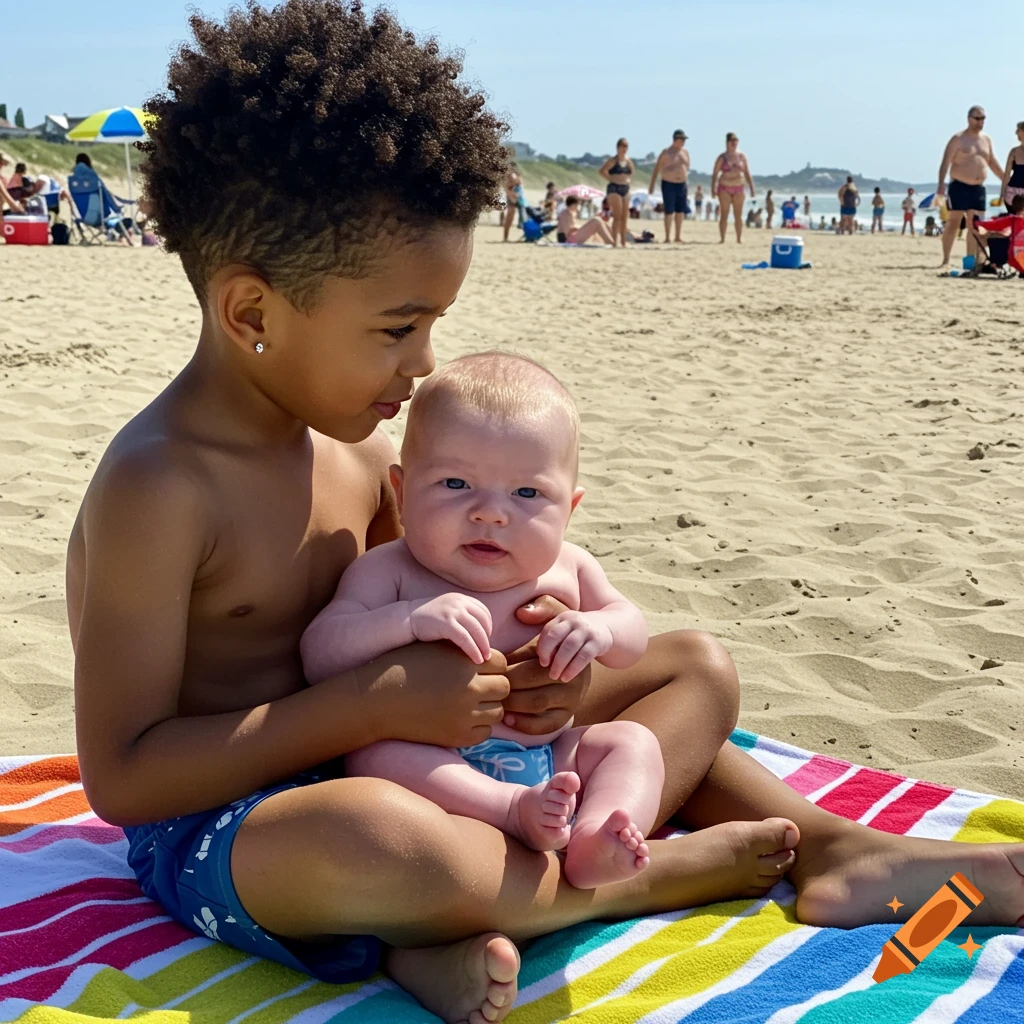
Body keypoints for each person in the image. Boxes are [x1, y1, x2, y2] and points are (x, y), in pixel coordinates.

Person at [67, 6, 1024, 1021]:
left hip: (441, 771)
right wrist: (364, 711)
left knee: (694, 666)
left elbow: (446, 609)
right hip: (241, 823)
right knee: (378, 840)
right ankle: (637, 877)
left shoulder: (361, 447)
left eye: (432, 324)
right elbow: (125, 779)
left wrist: (536, 681)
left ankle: (825, 845)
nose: (425, 362)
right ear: (253, 314)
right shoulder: (160, 486)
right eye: (399, 327)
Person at [302, 353, 663, 890]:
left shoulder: (571, 568)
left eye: (527, 493)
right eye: (454, 484)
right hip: (437, 761)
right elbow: (320, 652)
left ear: (569, 510)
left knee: (631, 743)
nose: (490, 513)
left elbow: (631, 638)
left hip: (545, 753)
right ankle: (514, 809)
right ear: (401, 493)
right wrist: (407, 620)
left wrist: (602, 629)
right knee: (375, 755)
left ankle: (595, 836)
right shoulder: (391, 571)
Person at [936, 105, 1005, 268]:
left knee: (975, 225)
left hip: (978, 188)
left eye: (983, 119)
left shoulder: (986, 139)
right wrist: (940, 185)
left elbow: (992, 162)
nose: (980, 122)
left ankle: (971, 260)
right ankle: (945, 259)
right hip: (959, 186)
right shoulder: (958, 139)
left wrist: (1005, 179)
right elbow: (945, 163)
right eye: (977, 118)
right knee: (953, 222)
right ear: (969, 119)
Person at [648, 129, 691, 243]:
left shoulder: (685, 152)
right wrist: (651, 185)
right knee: (669, 210)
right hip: (669, 183)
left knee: (680, 211)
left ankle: (677, 236)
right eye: (681, 139)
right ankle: (667, 237)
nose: (683, 142)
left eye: (684, 140)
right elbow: (656, 169)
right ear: (675, 139)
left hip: (682, 184)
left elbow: (687, 167)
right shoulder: (666, 152)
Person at [711, 132, 755, 243]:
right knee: (724, 213)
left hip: (739, 187)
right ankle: (722, 238)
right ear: (727, 142)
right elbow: (715, 173)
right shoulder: (722, 157)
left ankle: (739, 238)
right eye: (732, 141)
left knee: (738, 214)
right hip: (725, 187)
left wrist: (751, 187)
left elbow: (747, 172)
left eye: (735, 141)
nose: (734, 143)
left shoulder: (741, 156)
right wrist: (713, 188)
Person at [974, 193, 1024, 273]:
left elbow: (990, 225)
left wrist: (977, 223)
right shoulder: (1014, 220)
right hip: (1018, 257)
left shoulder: (1012, 220)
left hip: (1013, 258)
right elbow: (990, 225)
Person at [599, 138, 633, 247]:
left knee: (625, 217)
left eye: (626, 146)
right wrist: (612, 179)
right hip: (614, 188)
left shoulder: (628, 160)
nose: (624, 148)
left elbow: (632, 171)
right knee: (618, 217)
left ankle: (623, 241)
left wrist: (626, 179)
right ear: (618, 147)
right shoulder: (613, 161)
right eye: (622, 146)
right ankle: (615, 241)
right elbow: (601, 171)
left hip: (625, 188)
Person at [999, 121, 1024, 212]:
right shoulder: (1014, 151)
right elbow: (1007, 175)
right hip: (1013, 195)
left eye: (1018, 130)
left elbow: (1006, 175)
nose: (1016, 133)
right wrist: (1002, 194)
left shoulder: (1014, 151)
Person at [502, 162, 525, 242]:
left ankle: (506, 237)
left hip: (514, 198)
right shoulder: (511, 176)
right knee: (510, 218)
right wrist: (513, 195)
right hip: (512, 198)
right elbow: (507, 189)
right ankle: (505, 237)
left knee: (511, 218)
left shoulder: (514, 176)